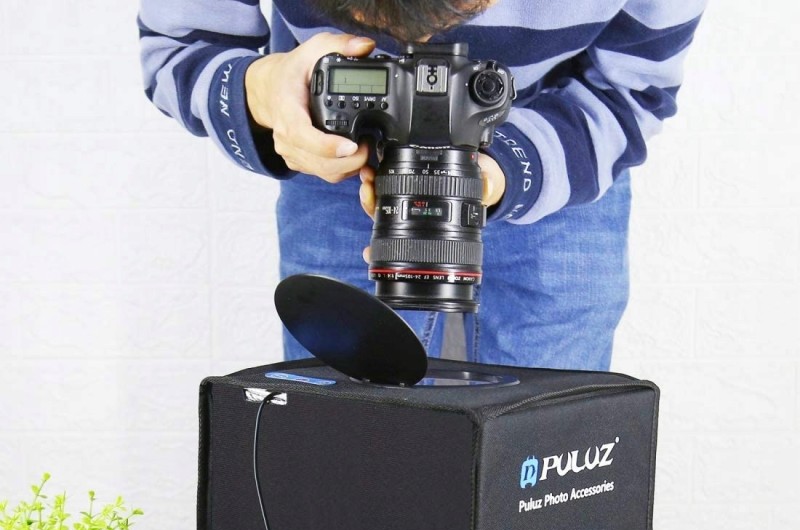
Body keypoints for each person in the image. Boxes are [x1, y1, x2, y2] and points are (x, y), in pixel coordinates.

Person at [138, 0, 705, 369]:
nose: (424, 43)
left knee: (543, 463)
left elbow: (631, 90)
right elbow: (179, 45)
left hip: (567, 153)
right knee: (344, 449)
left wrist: (510, 166)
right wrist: (264, 92)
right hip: (337, 158)